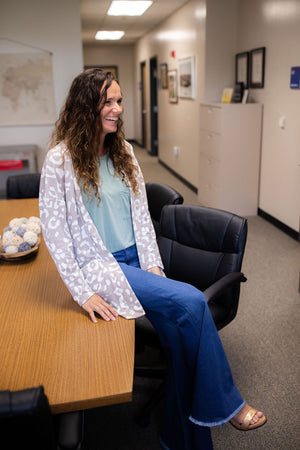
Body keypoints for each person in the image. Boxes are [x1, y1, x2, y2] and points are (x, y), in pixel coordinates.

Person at [39, 68, 267, 449]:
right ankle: (229, 405)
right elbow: (57, 236)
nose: (117, 109)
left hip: (138, 262)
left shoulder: (124, 151)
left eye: (119, 100)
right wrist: (83, 293)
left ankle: (176, 439)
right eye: (107, 102)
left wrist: (154, 266)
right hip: (103, 268)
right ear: (85, 107)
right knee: (192, 301)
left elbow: (142, 217)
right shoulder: (60, 162)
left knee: (181, 343)